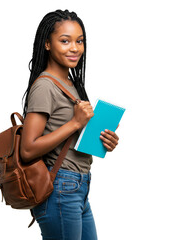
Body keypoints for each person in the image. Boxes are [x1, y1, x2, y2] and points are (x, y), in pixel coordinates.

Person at [20, 9, 119, 240]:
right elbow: (27, 149)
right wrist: (75, 122)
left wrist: (104, 140)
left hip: (79, 186)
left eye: (79, 41)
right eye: (65, 41)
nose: (74, 48)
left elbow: (71, 139)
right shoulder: (45, 86)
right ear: (47, 44)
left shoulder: (71, 83)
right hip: (61, 189)